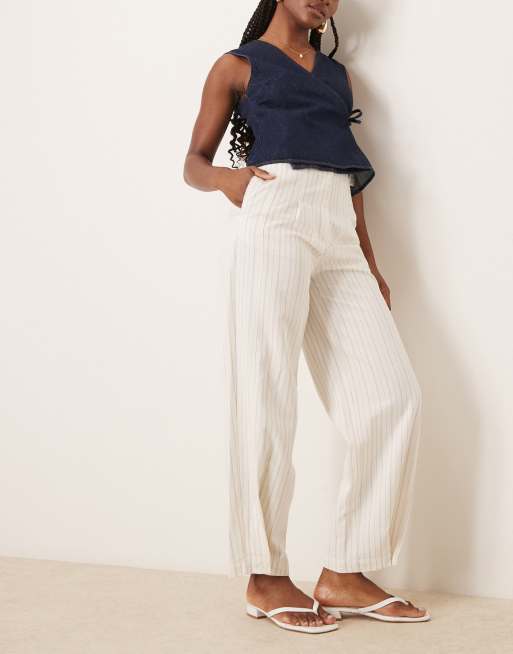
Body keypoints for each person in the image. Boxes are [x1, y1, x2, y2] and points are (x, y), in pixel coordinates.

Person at [183, 0, 430, 635]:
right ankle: (264, 575)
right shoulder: (237, 66)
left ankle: (345, 572)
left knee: (393, 397)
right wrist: (228, 182)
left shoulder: (336, 76)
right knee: (267, 394)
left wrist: (368, 259)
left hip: (337, 230)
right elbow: (193, 163)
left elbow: (348, 173)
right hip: (275, 217)